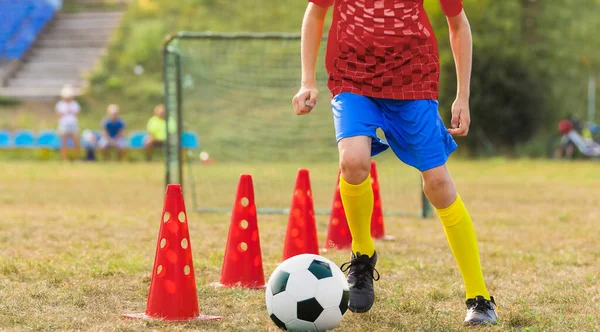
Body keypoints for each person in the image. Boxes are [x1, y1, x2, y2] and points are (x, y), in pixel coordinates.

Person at [292, 0, 498, 325]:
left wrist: (462, 96)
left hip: (412, 79)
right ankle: (362, 256)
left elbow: (458, 24)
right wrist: (307, 80)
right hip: (352, 77)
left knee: (439, 185)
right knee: (353, 161)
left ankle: (479, 297)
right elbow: (315, 12)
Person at [55, 84, 80, 161]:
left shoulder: (75, 104)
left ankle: (77, 158)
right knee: (63, 143)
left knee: (76, 141)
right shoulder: (60, 104)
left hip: (73, 124)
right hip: (63, 125)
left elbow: (76, 114)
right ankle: (64, 158)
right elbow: (59, 115)